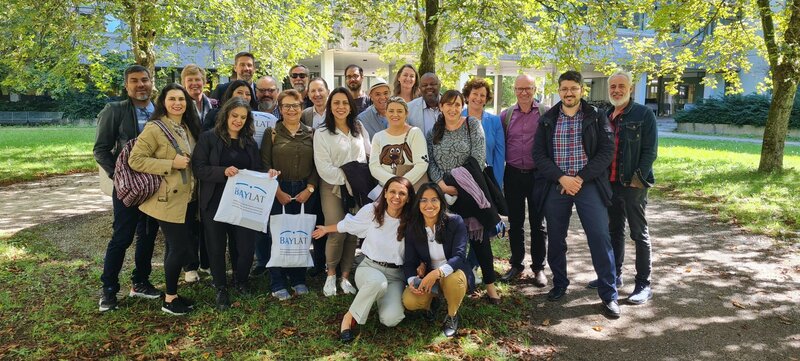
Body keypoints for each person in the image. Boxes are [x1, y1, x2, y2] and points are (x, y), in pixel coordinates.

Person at [531, 70, 619, 318]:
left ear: (581, 90)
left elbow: (606, 152)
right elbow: (538, 155)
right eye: (564, 89)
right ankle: (560, 283)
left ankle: (609, 294)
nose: (568, 93)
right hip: (558, 184)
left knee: (600, 236)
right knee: (556, 238)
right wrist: (561, 177)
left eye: (573, 88)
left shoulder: (596, 116)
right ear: (559, 91)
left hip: (587, 184)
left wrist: (580, 178)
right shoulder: (548, 118)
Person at [311, 176, 415, 343]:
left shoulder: (412, 219)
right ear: (385, 193)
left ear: (409, 197)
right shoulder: (372, 210)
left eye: (402, 193)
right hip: (369, 268)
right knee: (377, 283)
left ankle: (375, 297)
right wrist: (326, 229)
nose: (397, 197)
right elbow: (349, 225)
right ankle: (348, 318)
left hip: (396, 276)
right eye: (393, 192)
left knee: (391, 319)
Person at [128, 83, 201, 315]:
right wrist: (170, 164)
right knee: (179, 249)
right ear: (163, 102)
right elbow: (135, 160)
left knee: (177, 248)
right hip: (167, 201)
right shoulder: (155, 128)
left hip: (188, 198)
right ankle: (169, 299)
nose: (177, 103)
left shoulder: (188, 127)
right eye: (172, 99)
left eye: (181, 99)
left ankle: (174, 293)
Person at [585, 70, 657, 305]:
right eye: (613, 86)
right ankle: (615, 276)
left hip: (632, 184)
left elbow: (649, 151)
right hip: (610, 184)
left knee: (639, 233)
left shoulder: (643, 114)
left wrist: (638, 179)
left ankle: (643, 284)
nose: (616, 90)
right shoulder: (605, 115)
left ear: (631, 88)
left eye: (621, 86)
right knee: (614, 230)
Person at [94, 65, 161, 312]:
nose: (140, 85)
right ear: (127, 85)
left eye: (144, 80)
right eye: (134, 81)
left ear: (151, 82)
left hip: (155, 185)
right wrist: (118, 176)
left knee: (147, 235)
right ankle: (109, 290)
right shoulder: (115, 111)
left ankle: (140, 282)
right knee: (122, 237)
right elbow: (101, 149)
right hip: (127, 187)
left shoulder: (161, 111)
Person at [427, 90, 501, 303]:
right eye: (448, 104)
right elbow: (431, 161)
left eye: (457, 104)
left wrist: (457, 184)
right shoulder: (434, 131)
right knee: (445, 240)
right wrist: (441, 184)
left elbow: (478, 157)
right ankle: (445, 284)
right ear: (441, 107)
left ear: (462, 106)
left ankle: (491, 287)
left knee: (479, 240)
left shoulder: (472, 125)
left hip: (469, 191)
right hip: (444, 195)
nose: (452, 108)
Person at [192, 97, 264, 310]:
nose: (238, 121)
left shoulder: (249, 142)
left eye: (243, 117)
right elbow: (198, 168)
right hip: (214, 201)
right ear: (225, 115)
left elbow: (257, 169)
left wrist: (267, 175)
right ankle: (221, 287)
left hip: (243, 202)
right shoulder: (208, 139)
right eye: (234, 116)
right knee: (215, 246)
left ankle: (241, 281)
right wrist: (222, 171)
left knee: (244, 246)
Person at [260, 89, 320, 301]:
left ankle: (298, 279)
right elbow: (265, 163)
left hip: (305, 190)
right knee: (277, 235)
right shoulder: (272, 133)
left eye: (295, 105)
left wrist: (309, 188)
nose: (291, 110)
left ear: (301, 107)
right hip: (278, 189)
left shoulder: (312, 133)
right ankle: (277, 281)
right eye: (286, 106)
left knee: (300, 234)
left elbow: (317, 164)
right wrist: (277, 191)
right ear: (280, 109)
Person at [313, 87, 371, 297]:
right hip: (332, 187)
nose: (341, 107)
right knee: (337, 230)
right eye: (336, 103)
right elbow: (324, 167)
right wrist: (348, 177)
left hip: (357, 187)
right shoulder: (321, 132)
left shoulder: (358, 127)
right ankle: (330, 274)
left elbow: (367, 154)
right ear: (330, 106)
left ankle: (345, 277)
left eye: (345, 103)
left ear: (350, 106)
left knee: (352, 232)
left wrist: (358, 177)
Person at [498, 74, 548, 287]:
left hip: (538, 175)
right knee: (516, 223)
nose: (524, 92)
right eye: (520, 89)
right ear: (515, 90)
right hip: (513, 175)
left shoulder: (546, 113)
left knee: (539, 224)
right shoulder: (506, 116)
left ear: (534, 89)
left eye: (528, 88)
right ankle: (517, 265)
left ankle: (538, 268)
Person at [401, 183, 469, 338]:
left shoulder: (455, 221)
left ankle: (452, 315)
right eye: (423, 200)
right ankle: (431, 304)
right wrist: (412, 281)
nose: (429, 205)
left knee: (453, 280)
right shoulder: (413, 227)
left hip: (453, 272)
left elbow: (459, 256)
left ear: (441, 202)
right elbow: (409, 261)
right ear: (418, 204)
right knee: (410, 301)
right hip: (428, 274)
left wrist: (437, 273)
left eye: (434, 200)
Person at [369, 96, 428, 187]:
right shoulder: (378, 137)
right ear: (386, 113)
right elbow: (374, 167)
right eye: (391, 111)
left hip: (411, 189)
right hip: (387, 191)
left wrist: (402, 184)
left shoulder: (415, 133)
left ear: (406, 113)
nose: (395, 114)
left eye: (399, 111)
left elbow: (422, 164)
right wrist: (394, 183)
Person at [461, 77, 504, 188]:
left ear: (486, 99)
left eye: (482, 95)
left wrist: (496, 184)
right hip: (461, 179)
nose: (478, 98)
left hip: (487, 179)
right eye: (475, 94)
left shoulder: (495, 121)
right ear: (467, 96)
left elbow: (499, 155)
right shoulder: (457, 118)